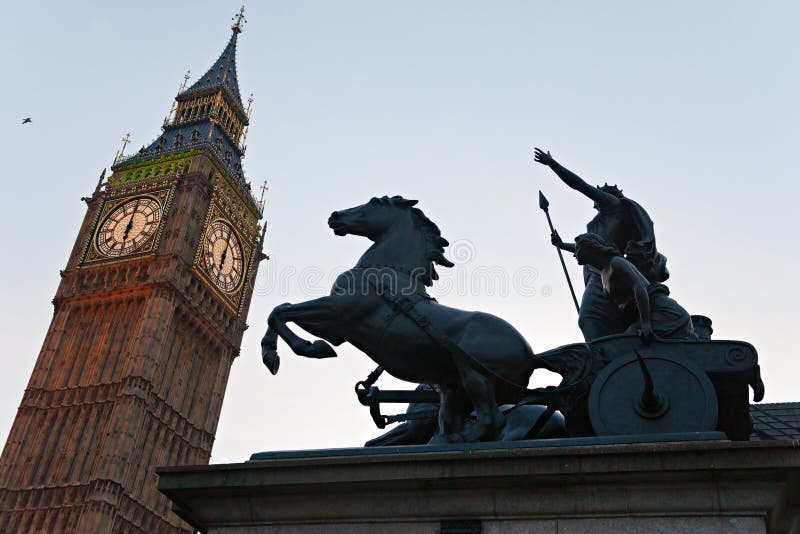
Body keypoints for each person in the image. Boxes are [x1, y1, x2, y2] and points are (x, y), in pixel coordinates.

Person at [534, 148, 668, 341]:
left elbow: (579, 185)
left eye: (600, 193)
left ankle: (598, 357)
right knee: (602, 319)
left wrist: (552, 164)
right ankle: (607, 352)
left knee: (588, 317)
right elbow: (588, 248)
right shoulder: (601, 220)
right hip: (595, 270)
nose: (596, 197)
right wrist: (563, 245)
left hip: (606, 270)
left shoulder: (612, 206)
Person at [573, 233, 695, 340]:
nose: (574, 254)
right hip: (641, 318)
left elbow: (639, 287)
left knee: (624, 343)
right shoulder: (603, 274)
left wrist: (645, 323)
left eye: (577, 249)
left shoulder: (616, 263)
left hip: (664, 314)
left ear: (588, 248)